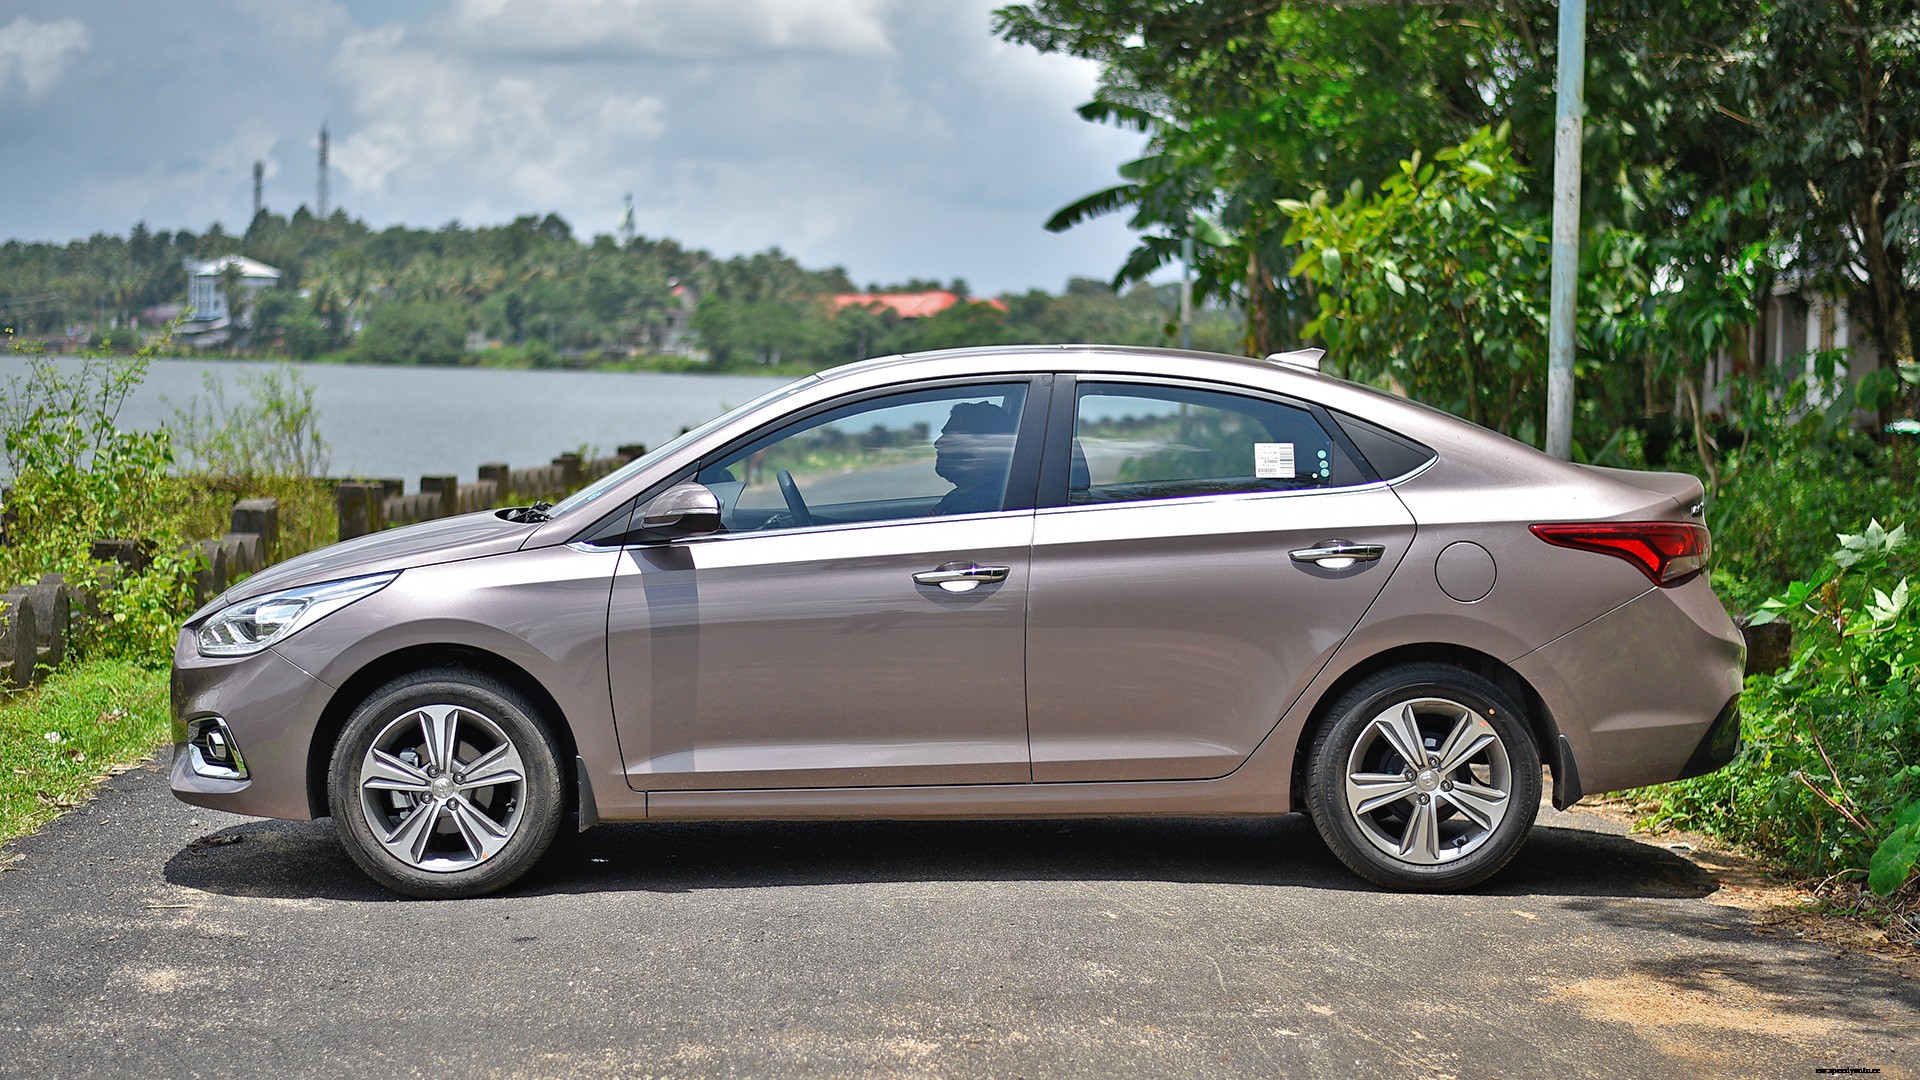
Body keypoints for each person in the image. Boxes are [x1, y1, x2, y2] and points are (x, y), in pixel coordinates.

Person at [934, 400, 1017, 515]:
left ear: (985, 448)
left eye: (951, 437)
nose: (937, 443)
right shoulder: (959, 496)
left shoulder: (985, 509)